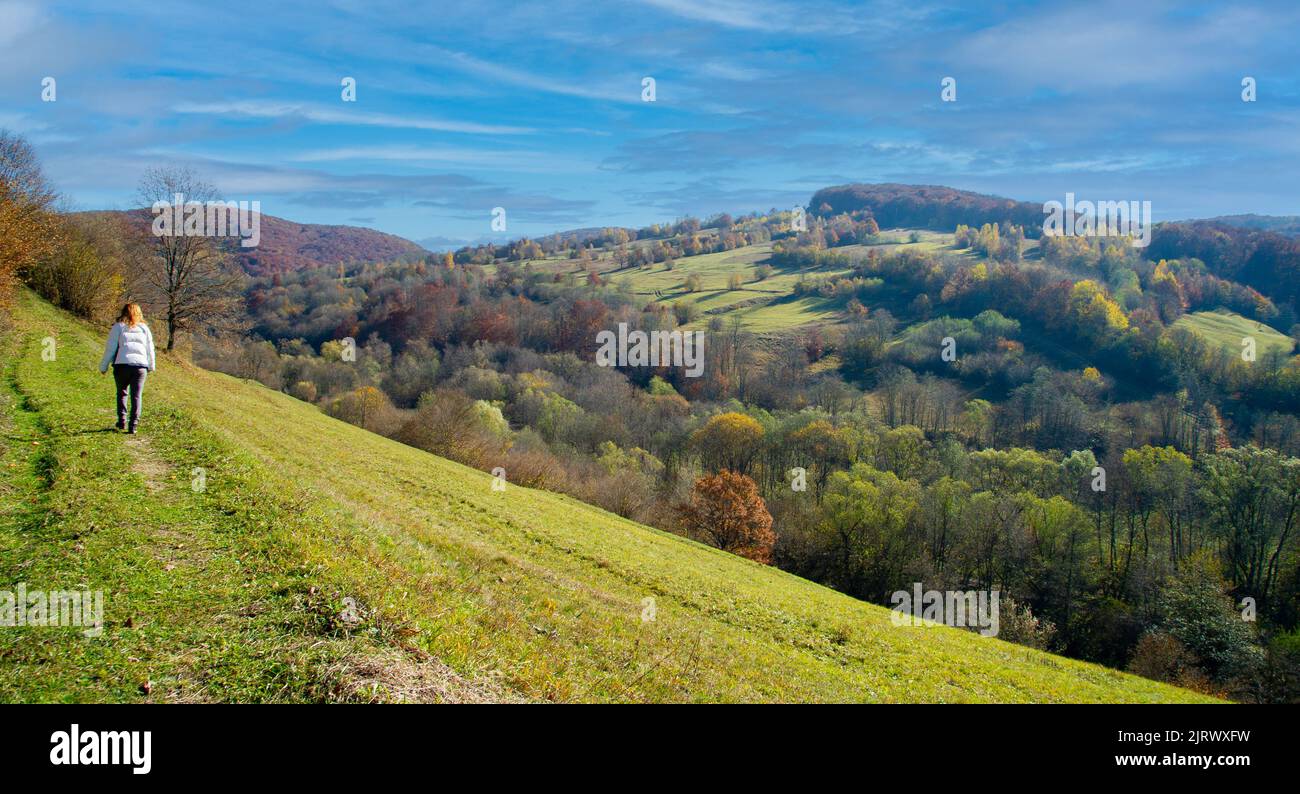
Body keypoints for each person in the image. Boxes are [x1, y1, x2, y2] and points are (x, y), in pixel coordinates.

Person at [98, 303, 156, 434]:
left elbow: (110, 349)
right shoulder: (144, 329)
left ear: (123, 312)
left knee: (122, 393)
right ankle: (133, 425)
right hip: (140, 367)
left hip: (122, 365)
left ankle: (122, 421)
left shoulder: (118, 327)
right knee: (137, 396)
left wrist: (104, 366)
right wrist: (151, 365)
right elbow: (150, 349)